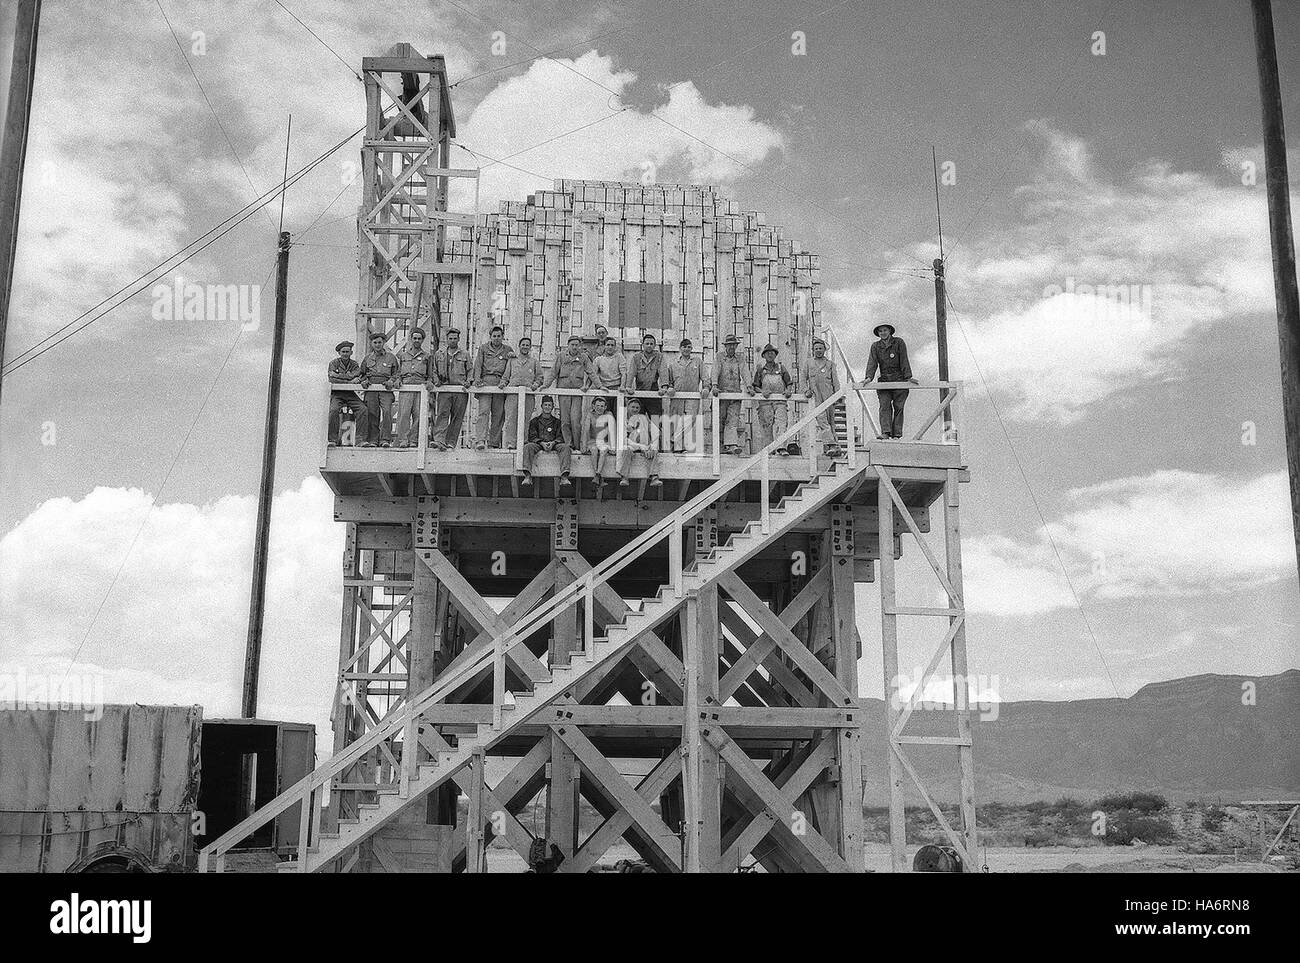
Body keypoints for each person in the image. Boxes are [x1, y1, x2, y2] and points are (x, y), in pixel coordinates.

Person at [861, 322, 916, 440]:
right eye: (880, 331)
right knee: (884, 405)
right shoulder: (875, 346)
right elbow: (872, 362)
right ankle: (886, 432)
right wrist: (869, 377)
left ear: (890, 331)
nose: (883, 333)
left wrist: (908, 376)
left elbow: (904, 359)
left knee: (899, 407)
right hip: (884, 379)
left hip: (899, 379)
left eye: (885, 330)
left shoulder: (898, 342)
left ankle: (896, 434)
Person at [543, 335, 593, 448]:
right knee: (565, 420)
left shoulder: (583, 357)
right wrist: (545, 385)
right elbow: (553, 372)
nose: (575, 347)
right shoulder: (561, 356)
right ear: (568, 345)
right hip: (564, 392)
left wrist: (599, 386)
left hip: (577, 392)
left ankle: (576, 446)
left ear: (580, 346)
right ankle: (568, 445)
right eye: (573, 345)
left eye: (577, 345)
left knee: (575, 420)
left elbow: (591, 372)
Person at [661, 338, 710, 453]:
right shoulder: (674, 364)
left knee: (691, 419)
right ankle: (678, 448)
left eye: (689, 347)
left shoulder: (697, 361)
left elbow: (705, 377)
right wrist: (669, 388)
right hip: (677, 396)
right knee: (677, 421)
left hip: (692, 396)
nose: (686, 349)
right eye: (684, 347)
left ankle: (673, 439)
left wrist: (706, 388)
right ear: (680, 348)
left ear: (691, 349)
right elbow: (669, 381)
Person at [471, 325, 515, 450]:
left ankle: (494, 443)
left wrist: (506, 382)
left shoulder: (508, 350)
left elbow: (512, 366)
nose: (496, 338)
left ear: (502, 337)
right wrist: (477, 379)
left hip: (501, 384)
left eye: (499, 336)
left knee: (498, 415)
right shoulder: (484, 348)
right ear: (490, 337)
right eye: (494, 336)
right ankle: (480, 440)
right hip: (486, 382)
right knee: (483, 412)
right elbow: (478, 364)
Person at [712, 333, 753, 456]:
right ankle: (718, 447)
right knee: (720, 419)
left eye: (733, 345)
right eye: (729, 345)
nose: (731, 348)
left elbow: (745, 371)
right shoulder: (719, 357)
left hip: (735, 393)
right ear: (726, 346)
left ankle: (731, 445)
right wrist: (714, 385)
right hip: (722, 393)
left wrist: (749, 386)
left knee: (732, 420)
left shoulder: (739, 358)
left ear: (736, 346)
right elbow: (715, 370)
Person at [801, 336, 843, 457]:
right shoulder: (809, 363)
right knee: (822, 419)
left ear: (824, 350)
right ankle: (832, 444)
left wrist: (837, 395)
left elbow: (835, 381)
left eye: (820, 348)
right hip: (815, 395)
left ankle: (831, 448)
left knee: (830, 421)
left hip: (828, 395)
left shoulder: (830, 364)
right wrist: (805, 390)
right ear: (813, 350)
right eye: (816, 348)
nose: (818, 350)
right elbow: (803, 378)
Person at [500, 336, 544, 450]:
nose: (525, 347)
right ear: (519, 346)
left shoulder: (534, 362)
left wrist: (536, 384)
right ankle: (511, 442)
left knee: (525, 418)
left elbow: (540, 377)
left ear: (530, 347)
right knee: (511, 418)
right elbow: (506, 376)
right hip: (513, 393)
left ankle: (523, 442)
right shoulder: (512, 360)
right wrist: (503, 383)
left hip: (528, 395)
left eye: (527, 345)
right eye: (523, 345)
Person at [430, 328, 471, 449]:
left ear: (458, 339)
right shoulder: (439, 353)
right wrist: (436, 380)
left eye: (455, 338)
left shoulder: (465, 354)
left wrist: (468, 381)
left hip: (459, 390)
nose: (452, 341)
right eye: (450, 338)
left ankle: (450, 442)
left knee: (457, 416)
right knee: (442, 414)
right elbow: (434, 370)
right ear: (446, 340)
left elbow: (470, 370)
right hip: (445, 389)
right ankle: (439, 440)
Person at [519, 396, 572, 487]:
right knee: (528, 447)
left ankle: (564, 477)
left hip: (554, 444)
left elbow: (560, 436)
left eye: (549, 405)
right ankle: (527, 476)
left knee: (566, 448)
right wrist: (541, 443)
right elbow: (532, 436)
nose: (547, 407)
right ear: (541, 406)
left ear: (552, 407)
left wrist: (553, 443)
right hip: (539, 444)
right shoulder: (535, 421)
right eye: (545, 405)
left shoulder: (557, 422)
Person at [751, 343, 794, 455]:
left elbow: (788, 382)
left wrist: (788, 390)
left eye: (772, 353)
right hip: (765, 403)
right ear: (764, 356)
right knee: (766, 426)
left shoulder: (781, 368)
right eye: (767, 353)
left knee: (781, 422)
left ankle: (781, 447)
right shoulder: (761, 370)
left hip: (780, 401)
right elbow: (755, 386)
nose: (770, 355)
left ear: (775, 355)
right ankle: (769, 450)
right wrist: (762, 392)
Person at [359, 331, 399, 447]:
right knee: (372, 413)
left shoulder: (391, 357)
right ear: (372, 344)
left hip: (385, 389)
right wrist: (363, 381)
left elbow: (396, 374)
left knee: (387, 412)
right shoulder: (367, 358)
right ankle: (373, 440)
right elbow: (361, 374)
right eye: (375, 342)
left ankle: (385, 439)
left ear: (384, 343)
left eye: (380, 342)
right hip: (371, 388)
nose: (377, 345)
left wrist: (391, 381)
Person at [393, 328, 431, 448]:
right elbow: (398, 373)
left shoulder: (427, 356)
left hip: (420, 386)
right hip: (406, 386)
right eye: (414, 338)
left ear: (422, 340)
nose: (417, 340)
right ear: (411, 339)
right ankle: (403, 439)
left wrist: (429, 381)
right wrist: (398, 380)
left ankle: (414, 440)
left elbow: (430, 374)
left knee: (418, 414)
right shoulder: (404, 356)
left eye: (419, 338)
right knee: (404, 414)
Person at [617, 397, 662, 488]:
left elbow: (655, 432)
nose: (635, 409)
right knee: (626, 450)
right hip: (632, 445)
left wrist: (651, 446)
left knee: (653, 450)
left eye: (637, 408)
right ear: (628, 407)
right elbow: (624, 440)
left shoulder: (644, 418)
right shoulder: (623, 421)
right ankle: (625, 477)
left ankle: (654, 477)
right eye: (632, 407)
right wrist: (640, 446)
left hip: (644, 444)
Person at [624, 333, 666, 425]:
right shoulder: (636, 357)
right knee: (638, 422)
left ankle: (657, 439)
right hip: (639, 393)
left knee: (657, 422)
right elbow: (631, 373)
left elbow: (663, 372)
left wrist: (664, 387)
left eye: (651, 344)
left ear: (655, 345)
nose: (649, 346)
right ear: (642, 345)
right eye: (647, 343)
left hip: (653, 393)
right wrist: (628, 386)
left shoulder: (659, 357)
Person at [327, 340, 363, 446]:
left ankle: (360, 439)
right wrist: (350, 379)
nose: (345, 354)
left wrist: (338, 376)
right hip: (337, 394)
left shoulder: (354, 364)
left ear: (351, 353)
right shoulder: (333, 363)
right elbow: (332, 379)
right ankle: (332, 440)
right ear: (339, 353)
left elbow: (357, 375)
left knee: (363, 409)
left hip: (350, 393)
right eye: (343, 352)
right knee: (333, 410)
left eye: (348, 352)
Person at [583, 395, 619, 484]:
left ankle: (597, 475)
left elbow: (612, 431)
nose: (599, 408)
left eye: (602, 406)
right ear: (593, 406)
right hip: (593, 441)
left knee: (603, 451)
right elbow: (586, 431)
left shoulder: (609, 414)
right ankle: (598, 475)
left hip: (604, 441)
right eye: (597, 406)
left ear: (605, 407)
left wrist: (612, 447)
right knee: (594, 450)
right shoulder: (590, 415)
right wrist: (584, 446)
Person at [591, 335, 626, 413]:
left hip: (617, 389)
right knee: (603, 417)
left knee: (619, 416)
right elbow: (593, 375)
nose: (610, 347)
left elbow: (624, 373)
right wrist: (599, 386)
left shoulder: (619, 357)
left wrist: (622, 386)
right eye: (608, 345)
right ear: (604, 346)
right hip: (604, 390)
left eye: (612, 345)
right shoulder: (598, 360)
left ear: (615, 347)